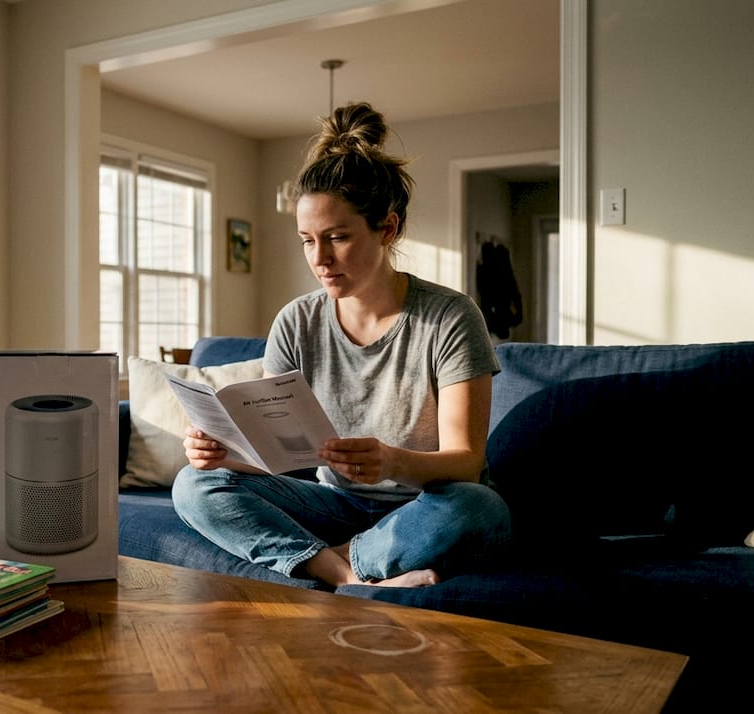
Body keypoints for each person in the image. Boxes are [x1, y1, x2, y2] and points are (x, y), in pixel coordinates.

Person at [171, 102, 511, 588]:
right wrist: (222, 454)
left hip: (424, 508)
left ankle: (336, 563)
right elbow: (278, 455)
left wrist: (391, 461)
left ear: (387, 228)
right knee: (193, 484)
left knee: (480, 509)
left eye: (337, 237)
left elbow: (466, 463)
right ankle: (343, 571)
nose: (320, 258)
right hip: (332, 505)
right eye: (307, 240)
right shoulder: (296, 321)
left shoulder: (451, 318)